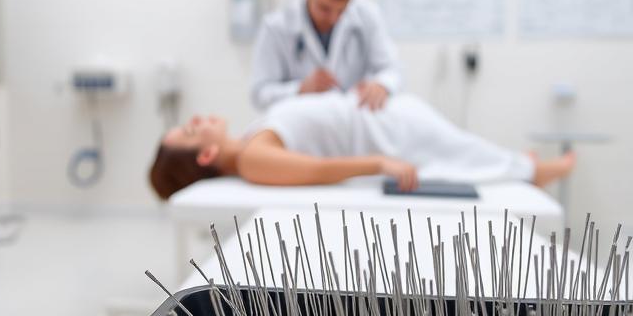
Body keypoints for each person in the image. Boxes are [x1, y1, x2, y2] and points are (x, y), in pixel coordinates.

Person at [148, 90, 575, 200]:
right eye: (190, 129)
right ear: (205, 155)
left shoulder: (247, 144)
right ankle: (534, 171)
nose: (197, 120)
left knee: (463, 150)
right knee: (460, 153)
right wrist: (378, 163)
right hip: (387, 134)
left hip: (382, 118)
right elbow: (315, 171)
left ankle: (520, 166)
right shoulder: (254, 159)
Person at [250, 0, 402, 112]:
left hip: (351, 124)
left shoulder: (368, 16)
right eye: (325, 8)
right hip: (298, 126)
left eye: (341, 10)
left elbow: (392, 69)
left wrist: (382, 84)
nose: (333, 19)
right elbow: (259, 94)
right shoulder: (276, 27)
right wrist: (300, 89)